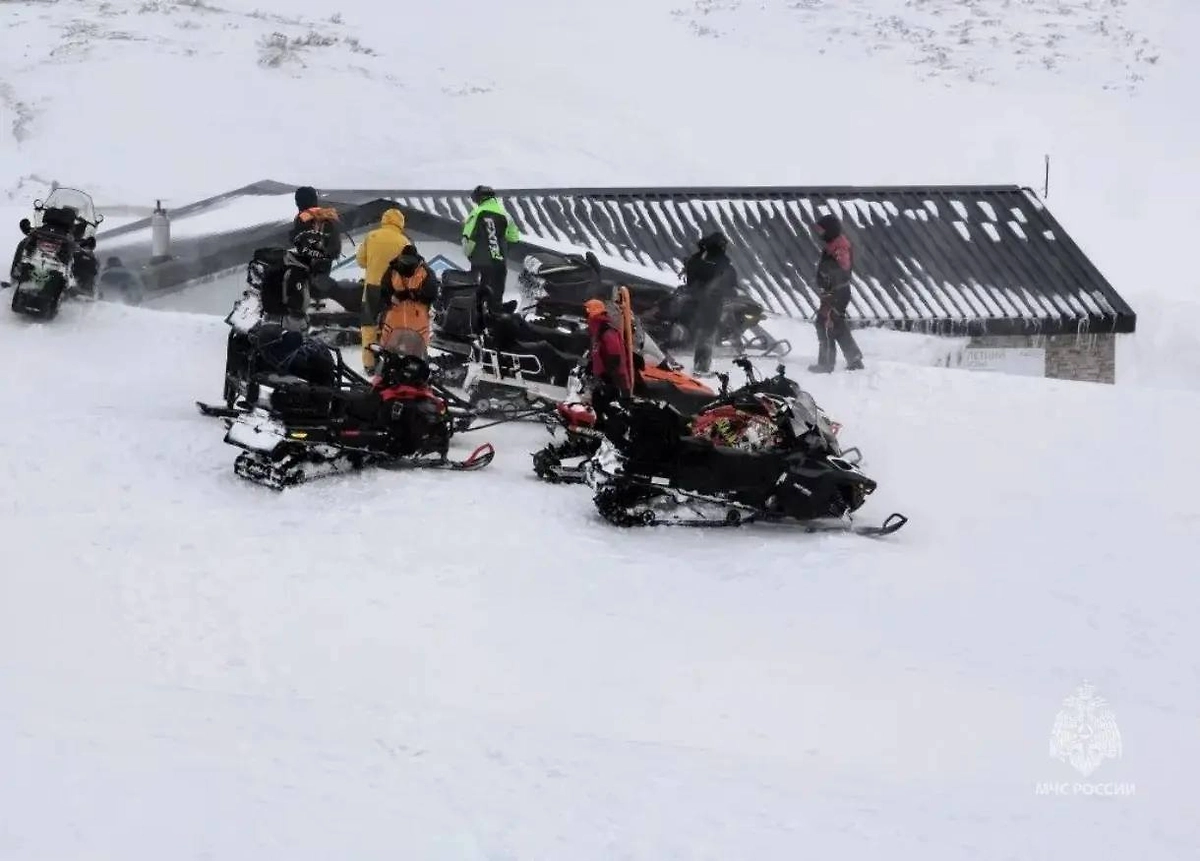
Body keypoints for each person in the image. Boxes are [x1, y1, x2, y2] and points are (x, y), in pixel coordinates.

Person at [355, 208, 412, 371]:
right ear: (400, 223)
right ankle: (390, 364)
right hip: (394, 290)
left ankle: (369, 364)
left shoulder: (371, 236)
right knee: (393, 327)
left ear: (384, 220)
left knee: (368, 327)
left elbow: (361, 261)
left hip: (372, 287)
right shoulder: (404, 242)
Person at [808, 214, 864, 373]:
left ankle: (826, 363)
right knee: (836, 323)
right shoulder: (833, 244)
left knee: (825, 324)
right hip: (834, 292)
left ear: (830, 230)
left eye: (822, 230)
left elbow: (843, 268)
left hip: (837, 292)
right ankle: (854, 358)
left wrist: (829, 279)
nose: (819, 234)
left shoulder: (840, 246)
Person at [681, 231, 738, 376]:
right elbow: (731, 282)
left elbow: (690, 278)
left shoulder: (697, 258)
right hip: (712, 304)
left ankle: (698, 363)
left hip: (695, 302)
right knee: (708, 335)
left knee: (701, 333)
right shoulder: (722, 262)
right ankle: (702, 367)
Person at [374, 244, 439, 363]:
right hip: (394, 323)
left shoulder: (426, 272)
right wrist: (390, 298)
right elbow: (383, 291)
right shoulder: (392, 270)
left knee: (417, 359)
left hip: (417, 325)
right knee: (388, 357)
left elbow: (432, 293)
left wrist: (410, 295)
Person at [461, 185, 519, 316]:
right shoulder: (505, 214)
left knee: (479, 295)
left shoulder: (477, 213)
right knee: (496, 296)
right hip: (499, 263)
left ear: (479, 199)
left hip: (480, 262)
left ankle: (477, 320)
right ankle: (496, 319)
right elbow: (514, 238)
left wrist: (468, 254)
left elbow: (467, 238)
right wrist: (502, 250)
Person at [584, 298, 631, 419]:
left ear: (593, 313)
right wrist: (591, 367)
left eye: (587, 312)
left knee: (608, 410)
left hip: (614, 380)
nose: (586, 316)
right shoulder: (597, 332)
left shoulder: (608, 332)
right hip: (603, 379)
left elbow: (615, 357)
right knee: (596, 405)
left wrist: (607, 376)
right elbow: (597, 353)